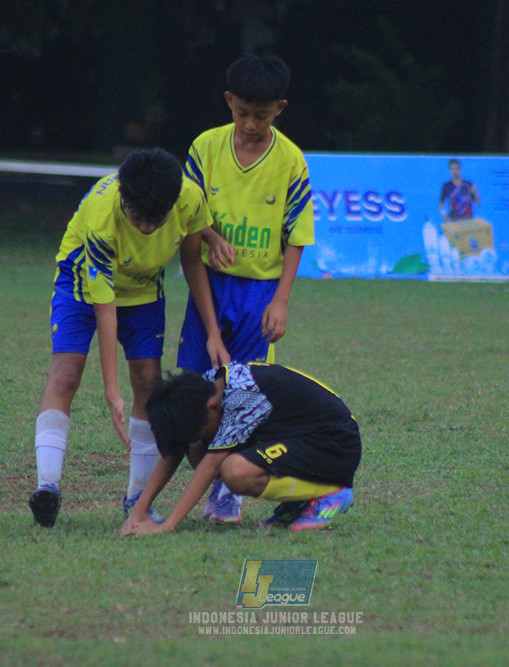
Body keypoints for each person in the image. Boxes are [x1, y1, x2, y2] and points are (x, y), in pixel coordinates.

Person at [28, 148, 229, 528]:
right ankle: (47, 487)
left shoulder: (188, 197)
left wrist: (213, 331)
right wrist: (110, 390)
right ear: (124, 199)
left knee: (149, 383)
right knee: (66, 374)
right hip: (80, 283)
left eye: (159, 220)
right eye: (139, 219)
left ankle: (137, 497)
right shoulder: (103, 217)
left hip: (144, 288)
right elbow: (107, 311)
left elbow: (190, 261)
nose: (149, 230)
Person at [176, 54, 315, 525]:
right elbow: (189, 236)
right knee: (196, 400)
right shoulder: (204, 149)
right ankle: (213, 485)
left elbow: (296, 235)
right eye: (243, 113)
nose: (251, 124)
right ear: (229, 101)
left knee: (243, 400)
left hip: (259, 295)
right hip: (208, 291)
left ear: (280, 108)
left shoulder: (292, 162)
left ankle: (227, 491)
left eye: (263, 115)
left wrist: (281, 301)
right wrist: (213, 237)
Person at [119, 362, 361, 536]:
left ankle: (330, 494)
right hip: (300, 438)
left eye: (203, 431)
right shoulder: (204, 390)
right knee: (196, 446)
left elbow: (210, 466)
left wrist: (167, 525)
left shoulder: (241, 399)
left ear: (213, 408)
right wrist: (139, 511)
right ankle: (299, 502)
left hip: (334, 444)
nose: (204, 439)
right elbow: (178, 448)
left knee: (236, 471)